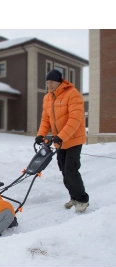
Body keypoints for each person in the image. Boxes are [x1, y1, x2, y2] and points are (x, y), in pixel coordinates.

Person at [35, 69, 89, 212]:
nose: (49, 85)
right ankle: (74, 197)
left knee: (71, 170)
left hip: (73, 140)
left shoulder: (73, 94)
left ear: (59, 81)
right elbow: (46, 119)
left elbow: (75, 119)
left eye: (51, 82)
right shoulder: (48, 98)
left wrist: (62, 136)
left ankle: (83, 199)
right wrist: (41, 134)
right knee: (64, 171)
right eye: (47, 83)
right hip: (59, 142)